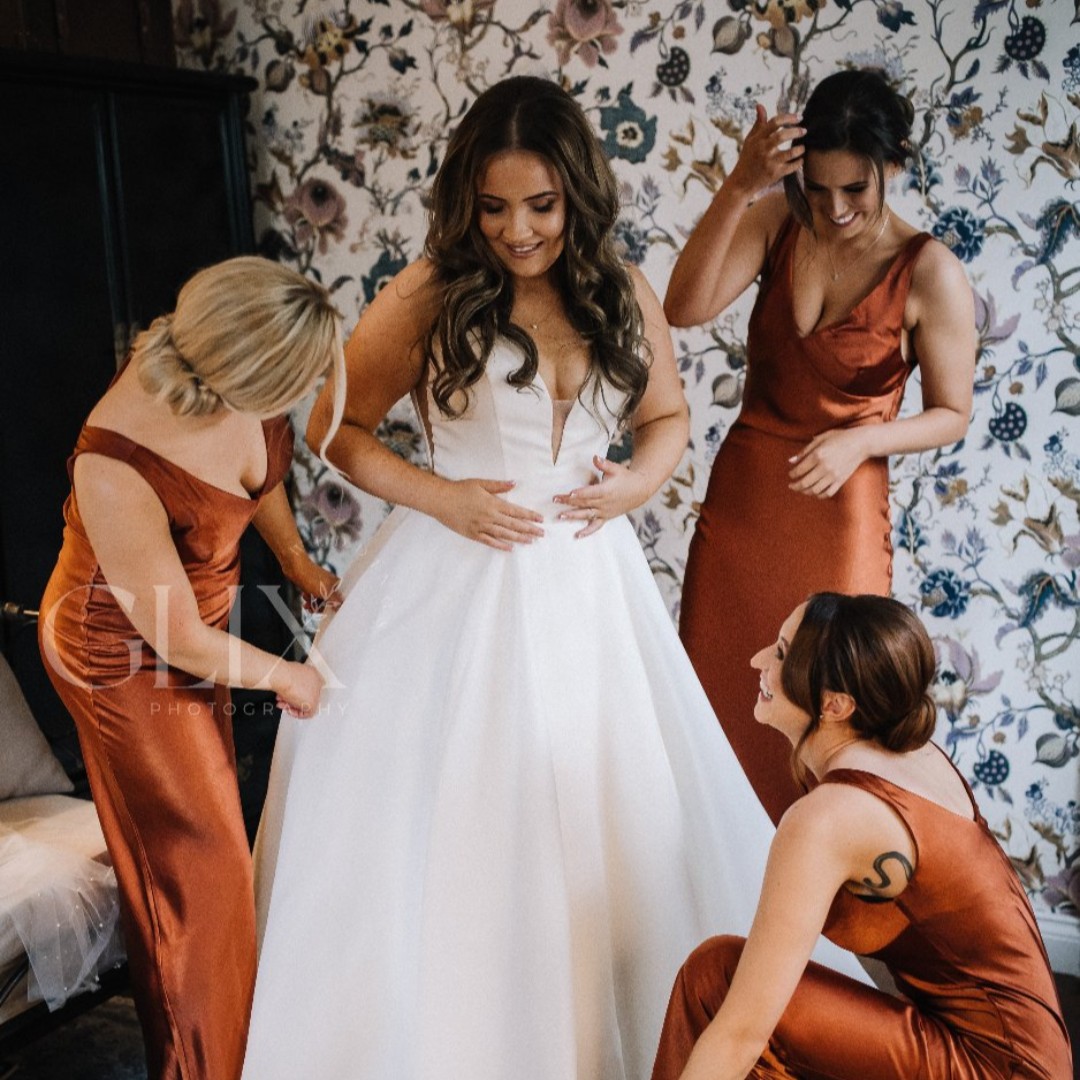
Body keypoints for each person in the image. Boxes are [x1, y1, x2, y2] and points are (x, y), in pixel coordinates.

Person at [239, 75, 822, 1080]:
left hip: (591, 584)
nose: (517, 231)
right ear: (469, 199)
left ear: (576, 196)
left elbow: (667, 421)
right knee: (466, 816)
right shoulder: (428, 291)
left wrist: (634, 483)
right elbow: (337, 429)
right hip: (454, 574)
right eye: (496, 206)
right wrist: (442, 496)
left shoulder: (622, 288)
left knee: (610, 804)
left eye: (541, 207)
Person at [38, 256, 343, 1080]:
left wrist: (296, 560)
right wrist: (285, 677)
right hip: (119, 655)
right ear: (241, 374)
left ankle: (239, 1048)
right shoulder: (115, 456)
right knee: (198, 872)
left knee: (211, 858)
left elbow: (262, 465)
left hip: (190, 630)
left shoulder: (230, 371)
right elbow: (173, 639)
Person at [665, 68, 977, 824]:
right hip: (742, 507)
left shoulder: (929, 270)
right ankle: (706, 908)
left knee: (829, 706)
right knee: (712, 703)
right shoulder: (779, 219)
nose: (835, 210)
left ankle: (812, 911)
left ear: (892, 167)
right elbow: (683, 306)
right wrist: (741, 185)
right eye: (819, 187)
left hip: (841, 510)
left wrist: (863, 440)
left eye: (855, 191)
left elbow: (953, 412)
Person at [651, 592, 1073, 1080]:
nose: (758, 660)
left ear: (835, 704)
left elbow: (742, 1032)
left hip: (1003, 1069)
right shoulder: (903, 752)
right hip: (1032, 1051)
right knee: (722, 977)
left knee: (717, 980)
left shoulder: (830, 819)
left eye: (783, 653)